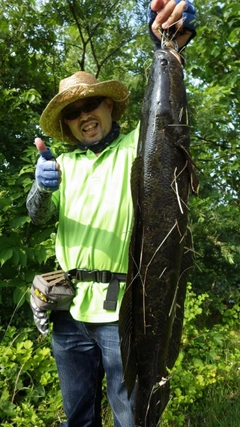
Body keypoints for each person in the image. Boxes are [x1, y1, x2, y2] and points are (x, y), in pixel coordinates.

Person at [27, 1, 197, 426]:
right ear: (66, 125)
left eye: (91, 105)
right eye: (73, 113)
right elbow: (38, 217)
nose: (84, 116)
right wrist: (40, 189)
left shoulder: (139, 147)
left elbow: (167, 118)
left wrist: (172, 42)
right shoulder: (63, 165)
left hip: (124, 315)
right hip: (68, 316)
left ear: (109, 107)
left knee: (130, 419)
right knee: (78, 417)